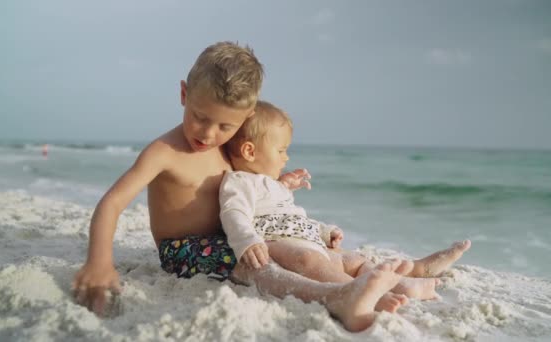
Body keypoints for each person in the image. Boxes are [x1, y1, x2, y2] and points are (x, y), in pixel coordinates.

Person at [72, 41, 410, 332]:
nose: (207, 134)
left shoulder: (226, 146)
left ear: (245, 118)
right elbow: (113, 203)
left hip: (233, 236)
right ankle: (338, 298)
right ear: (183, 94)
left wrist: (280, 185)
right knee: (261, 268)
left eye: (225, 125)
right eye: (199, 116)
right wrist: (99, 262)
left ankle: (378, 284)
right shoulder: (165, 152)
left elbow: (247, 190)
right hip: (183, 249)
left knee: (308, 252)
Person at [220, 101, 472, 311]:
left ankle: (408, 280)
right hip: (279, 246)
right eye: (281, 150)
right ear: (250, 151)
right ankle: (361, 292)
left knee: (353, 260)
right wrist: (247, 241)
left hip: (310, 242)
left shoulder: (274, 184)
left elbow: (295, 219)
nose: (286, 157)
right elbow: (234, 212)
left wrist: (323, 231)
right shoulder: (239, 181)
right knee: (309, 261)